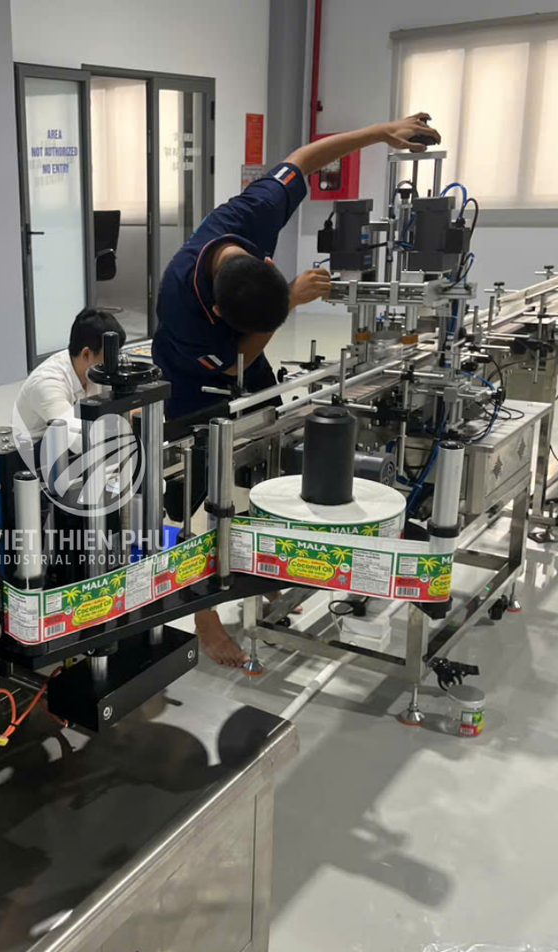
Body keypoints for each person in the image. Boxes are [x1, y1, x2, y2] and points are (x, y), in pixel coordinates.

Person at [152, 112, 442, 667]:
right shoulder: (181, 306)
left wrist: (381, 132)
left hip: (247, 358)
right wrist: (290, 301)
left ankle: (261, 568)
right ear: (219, 313)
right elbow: (237, 359)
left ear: (262, 260)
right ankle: (205, 619)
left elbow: (303, 159)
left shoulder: (247, 217)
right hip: (192, 385)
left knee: (265, 461)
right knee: (194, 498)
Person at [15, 307, 127, 452]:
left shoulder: (94, 370)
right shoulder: (47, 383)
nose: (114, 363)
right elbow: (78, 442)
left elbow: (116, 408)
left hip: (68, 451)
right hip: (31, 455)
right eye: (109, 357)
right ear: (86, 354)